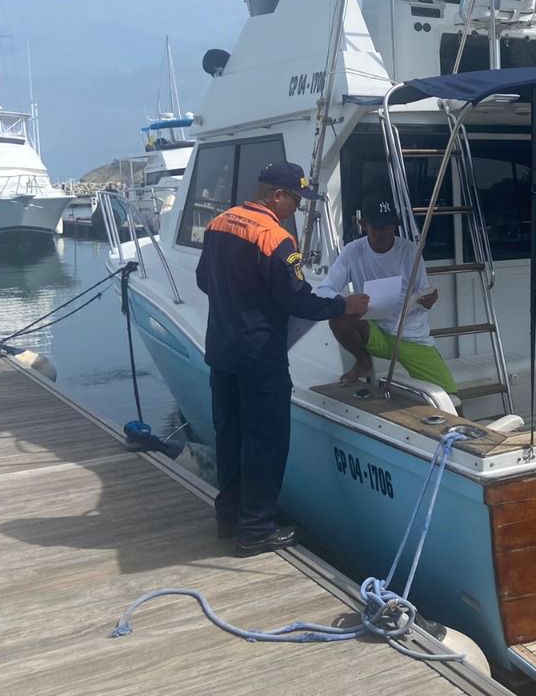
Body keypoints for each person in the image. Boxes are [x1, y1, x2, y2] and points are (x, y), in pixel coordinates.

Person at [196, 162, 369, 555]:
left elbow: (204, 280)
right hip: (259, 357)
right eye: (295, 200)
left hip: (222, 351)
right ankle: (256, 530)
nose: (297, 208)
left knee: (231, 435)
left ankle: (229, 516)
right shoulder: (275, 238)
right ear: (276, 195)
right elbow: (297, 300)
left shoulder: (218, 224)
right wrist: (344, 305)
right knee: (265, 441)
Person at [318, 195, 457, 396]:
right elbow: (324, 289)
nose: (384, 233)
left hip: (409, 335)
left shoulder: (410, 250)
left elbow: (423, 293)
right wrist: (345, 301)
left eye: (389, 227)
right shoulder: (352, 251)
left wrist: (428, 300)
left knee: (450, 397)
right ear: (364, 224)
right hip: (374, 330)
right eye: (377, 228)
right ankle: (364, 363)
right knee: (338, 315)